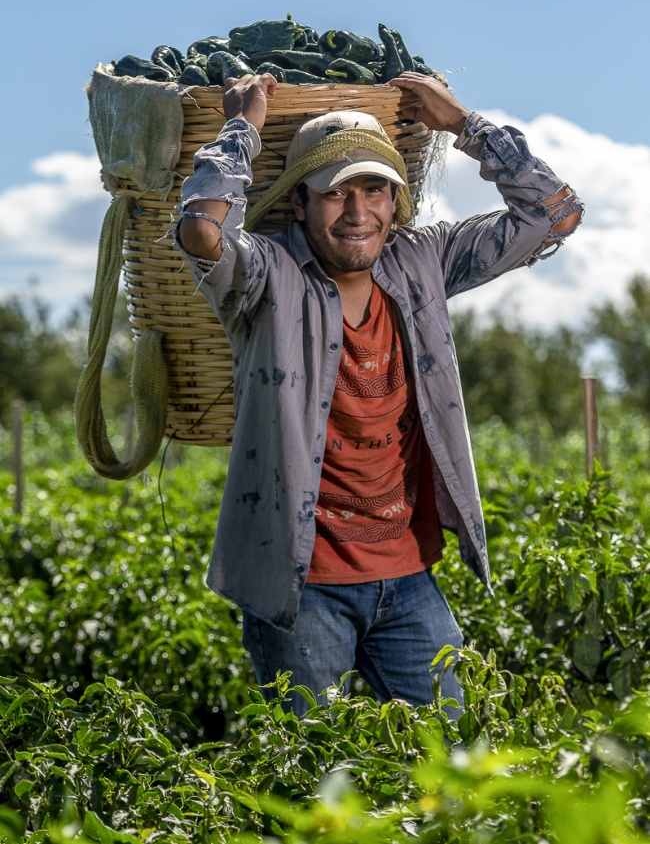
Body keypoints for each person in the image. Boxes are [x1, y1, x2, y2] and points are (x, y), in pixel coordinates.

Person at [174, 71, 583, 715]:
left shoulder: (422, 260)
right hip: (301, 585)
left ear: (396, 201)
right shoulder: (267, 276)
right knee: (310, 762)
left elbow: (555, 213)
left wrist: (465, 126)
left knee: (456, 746)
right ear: (300, 202)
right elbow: (201, 231)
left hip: (408, 575)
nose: (357, 211)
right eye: (335, 192)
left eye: (374, 189)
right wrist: (242, 129)